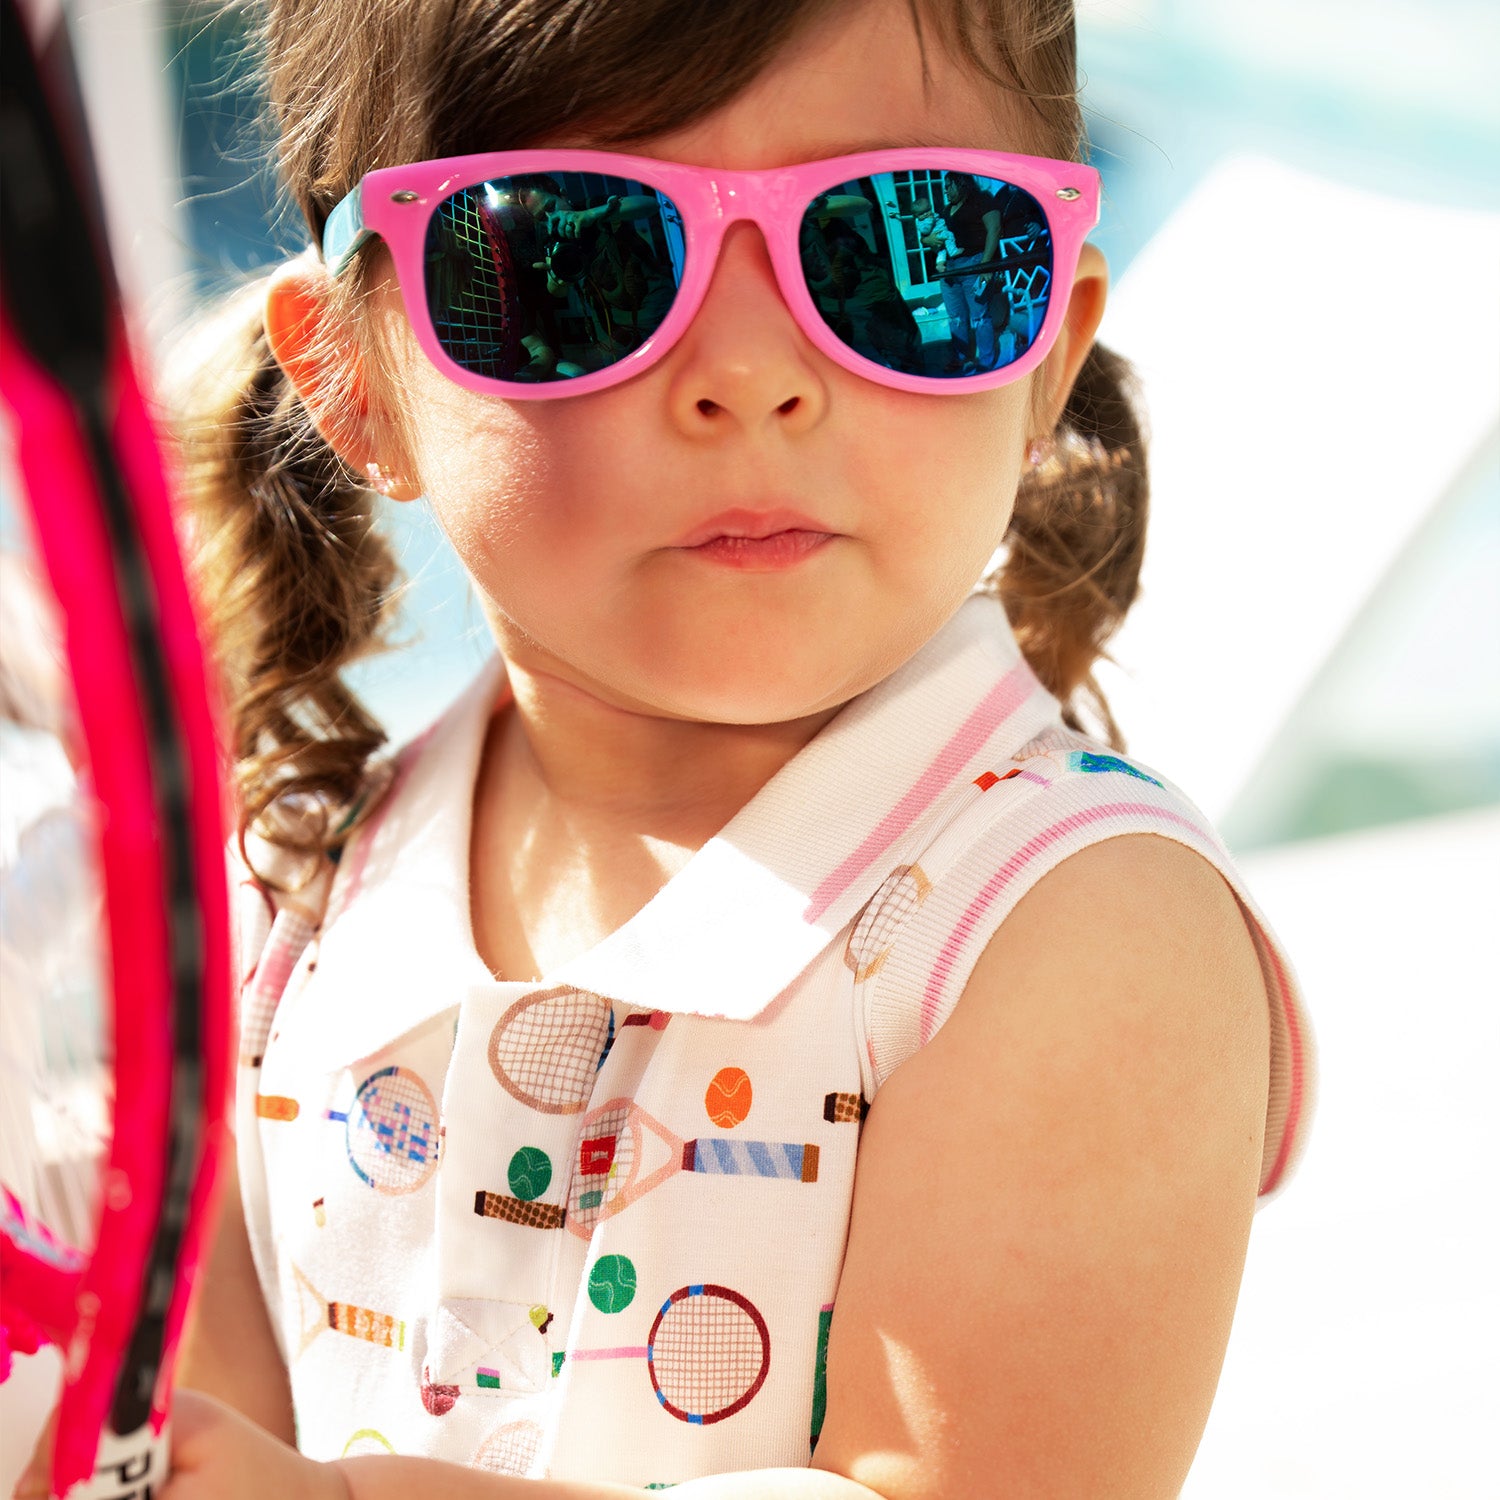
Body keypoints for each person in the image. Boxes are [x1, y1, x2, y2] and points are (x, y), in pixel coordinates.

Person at [12, 0, 1316, 1496]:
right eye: (582, 259)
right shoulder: (295, 897)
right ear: (352, 381)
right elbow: (196, 1434)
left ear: (1044, 357)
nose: (753, 375)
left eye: (908, 248)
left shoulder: (1071, 932)